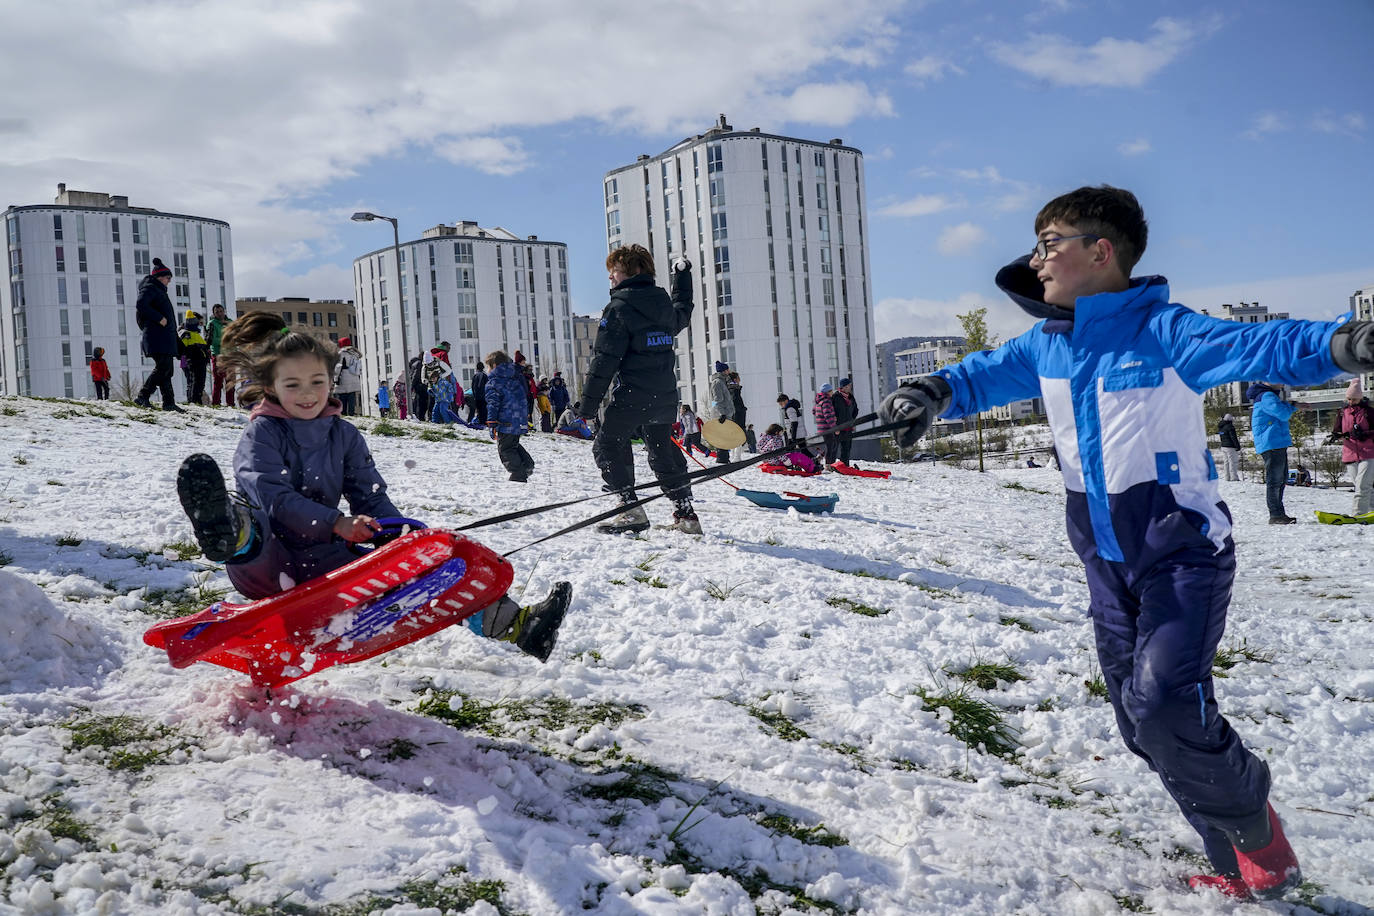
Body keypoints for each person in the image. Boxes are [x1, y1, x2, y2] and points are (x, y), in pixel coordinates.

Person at [876, 184, 1374, 901]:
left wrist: (1342, 343)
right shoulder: (1046, 345)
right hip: (1105, 564)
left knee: (1167, 705)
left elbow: (1262, 343)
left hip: (1181, 553)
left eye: (1050, 244)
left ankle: (1257, 831)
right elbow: (976, 376)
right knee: (1142, 725)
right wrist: (929, 393)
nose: (1037, 261)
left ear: (1099, 251)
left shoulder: (1165, 332)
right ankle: (1234, 859)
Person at [174, 331, 570, 662]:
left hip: (324, 559)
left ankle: (522, 628)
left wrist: (402, 540)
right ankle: (224, 530)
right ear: (271, 387)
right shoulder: (261, 434)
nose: (307, 394)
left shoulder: (343, 435)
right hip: (269, 559)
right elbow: (271, 495)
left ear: (331, 380)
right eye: (292, 385)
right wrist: (335, 523)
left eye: (317, 381)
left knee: (429, 566)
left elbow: (370, 495)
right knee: (253, 521)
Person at [578, 244, 698, 534]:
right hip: (665, 396)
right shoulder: (662, 304)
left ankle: (630, 509)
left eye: (614, 272)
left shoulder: (619, 309)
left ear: (633, 271)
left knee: (608, 444)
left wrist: (587, 407)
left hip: (633, 396)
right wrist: (682, 277)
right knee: (662, 450)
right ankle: (686, 515)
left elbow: (604, 362)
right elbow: (683, 309)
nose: (610, 278)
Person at [1248, 382, 1307, 524]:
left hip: (1275, 442)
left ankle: (1279, 513)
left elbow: (1280, 409)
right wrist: (1293, 406)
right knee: (1275, 480)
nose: (1283, 382)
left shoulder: (1267, 395)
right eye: (1278, 379)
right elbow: (1282, 413)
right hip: (1271, 442)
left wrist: (1293, 404)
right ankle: (1275, 514)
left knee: (1281, 479)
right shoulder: (1266, 396)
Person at [133, 258, 184, 413]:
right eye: (168, 278)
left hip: (164, 338)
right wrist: (159, 319)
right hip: (157, 337)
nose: (169, 281)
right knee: (163, 368)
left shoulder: (159, 291)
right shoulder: (150, 288)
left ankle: (169, 403)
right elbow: (141, 305)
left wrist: (176, 341)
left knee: (167, 370)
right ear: (160, 277)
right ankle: (143, 396)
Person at [484, 350, 535, 482]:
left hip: (505, 421)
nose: (487, 370)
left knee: (505, 449)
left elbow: (493, 403)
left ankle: (518, 473)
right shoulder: (515, 377)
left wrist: (491, 422)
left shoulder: (493, 382)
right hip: (518, 419)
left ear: (494, 366)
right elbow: (523, 397)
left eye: (488, 367)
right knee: (513, 444)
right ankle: (527, 464)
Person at [1331, 377, 1374, 515]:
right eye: (1349, 399)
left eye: (1354, 399)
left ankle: (1358, 513)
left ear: (1360, 398)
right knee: (1361, 485)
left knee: (1362, 485)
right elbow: (1337, 429)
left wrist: (1364, 434)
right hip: (1349, 453)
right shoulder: (1342, 412)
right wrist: (1336, 435)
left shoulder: (1369, 412)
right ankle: (1372, 510)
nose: (1351, 402)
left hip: (1368, 452)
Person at [179, 311, 211, 406]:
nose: (201, 325)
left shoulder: (195, 333)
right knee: (191, 380)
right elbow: (183, 350)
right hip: (187, 360)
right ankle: (192, 400)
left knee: (193, 381)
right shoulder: (186, 333)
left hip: (192, 360)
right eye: (200, 322)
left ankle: (194, 399)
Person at [706, 361, 735, 465]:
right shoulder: (717, 383)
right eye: (727, 369)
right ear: (723, 371)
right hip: (721, 415)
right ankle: (722, 459)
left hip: (725, 413)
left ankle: (724, 458)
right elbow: (716, 400)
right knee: (722, 436)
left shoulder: (722, 382)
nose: (729, 371)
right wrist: (721, 414)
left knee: (725, 436)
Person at [207, 304, 234, 407]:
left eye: (221, 311)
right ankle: (216, 403)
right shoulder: (212, 323)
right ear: (214, 313)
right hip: (218, 355)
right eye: (217, 312)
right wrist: (227, 340)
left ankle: (230, 404)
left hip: (231, 355)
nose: (219, 313)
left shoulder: (230, 322)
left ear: (224, 311)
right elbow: (213, 340)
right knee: (218, 381)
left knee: (230, 381)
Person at [333, 337, 363, 416]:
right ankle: (351, 413)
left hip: (344, 376)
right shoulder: (355, 354)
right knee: (351, 397)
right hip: (354, 377)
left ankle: (343, 414)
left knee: (342, 397)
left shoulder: (342, 353)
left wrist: (335, 378)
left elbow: (338, 366)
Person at [831, 377, 858, 464]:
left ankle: (844, 466)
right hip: (838, 428)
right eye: (847, 386)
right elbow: (831, 413)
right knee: (834, 448)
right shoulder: (835, 397)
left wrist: (852, 420)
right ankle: (831, 465)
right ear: (842, 387)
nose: (849, 388)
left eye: (849, 386)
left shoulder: (851, 397)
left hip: (848, 428)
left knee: (846, 449)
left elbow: (855, 410)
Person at [813, 382, 838, 468]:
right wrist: (835, 428)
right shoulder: (826, 401)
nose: (832, 393)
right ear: (828, 392)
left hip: (821, 428)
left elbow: (814, 411)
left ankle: (819, 458)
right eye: (831, 391)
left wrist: (820, 417)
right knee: (831, 446)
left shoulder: (819, 401)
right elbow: (828, 416)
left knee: (830, 445)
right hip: (827, 428)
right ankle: (828, 465)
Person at [1217, 413, 1242, 482]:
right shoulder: (1230, 427)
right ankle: (1234, 478)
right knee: (1232, 462)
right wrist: (1237, 446)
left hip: (1223, 446)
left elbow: (1221, 436)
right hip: (1230, 447)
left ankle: (1227, 477)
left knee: (1226, 462)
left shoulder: (1221, 427)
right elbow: (1233, 437)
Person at [470, 359, 488, 425]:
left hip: (477, 397)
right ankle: (485, 423)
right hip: (484, 397)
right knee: (484, 411)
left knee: (479, 411)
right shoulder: (485, 375)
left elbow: (472, 386)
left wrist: (475, 395)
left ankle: (480, 423)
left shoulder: (475, 376)